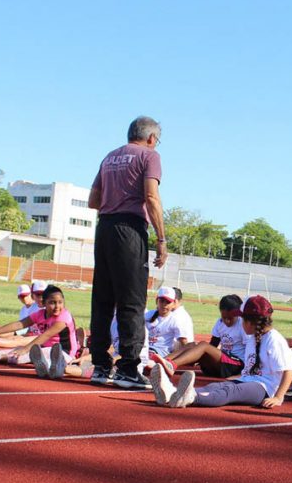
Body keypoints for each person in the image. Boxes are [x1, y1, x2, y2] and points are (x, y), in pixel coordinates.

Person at [89, 116, 167, 390]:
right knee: (132, 302)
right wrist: (161, 238)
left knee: (102, 299)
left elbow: (93, 200)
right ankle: (128, 368)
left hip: (105, 227)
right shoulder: (149, 156)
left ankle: (100, 365)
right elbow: (151, 197)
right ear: (151, 138)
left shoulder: (109, 157)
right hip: (130, 230)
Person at [151, 295, 292, 409]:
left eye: (242, 319)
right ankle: (172, 392)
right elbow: (251, 366)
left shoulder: (274, 339)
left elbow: (288, 370)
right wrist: (240, 376)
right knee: (216, 386)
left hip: (264, 388)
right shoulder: (252, 337)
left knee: (230, 392)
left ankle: (192, 398)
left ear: (250, 322)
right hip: (248, 379)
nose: (240, 323)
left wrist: (278, 397)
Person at [0, 286, 79, 376]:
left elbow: (46, 335)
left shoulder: (64, 316)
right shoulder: (40, 314)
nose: (57, 306)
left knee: (29, 352)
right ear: (44, 303)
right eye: (52, 303)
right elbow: (20, 324)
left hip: (65, 353)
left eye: (60, 302)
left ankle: (51, 366)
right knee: (20, 350)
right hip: (45, 348)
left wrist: (26, 349)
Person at [151, 294, 246, 379]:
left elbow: (252, 351)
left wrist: (245, 373)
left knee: (203, 345)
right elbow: (213, 345)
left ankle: (172, 365)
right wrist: (196, 355)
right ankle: (159, 363)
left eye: (230, 318)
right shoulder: (219, 323)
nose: (227, 321)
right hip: (221, 365)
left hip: (235, 366)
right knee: (192, 345)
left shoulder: (242, 324)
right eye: (224, 317)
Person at [146, 287, 190, 359]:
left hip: (162, 354)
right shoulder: (148, 315)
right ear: (157, 301)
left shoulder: (175, 320)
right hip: (145, 350)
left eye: (168, 302)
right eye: (162, 301)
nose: (164, 304)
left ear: (173, 304)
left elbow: (184, 342)